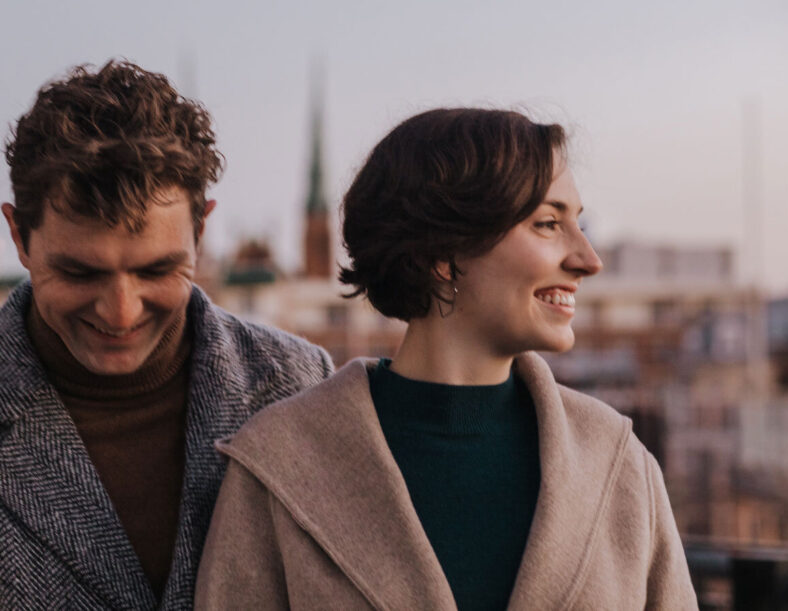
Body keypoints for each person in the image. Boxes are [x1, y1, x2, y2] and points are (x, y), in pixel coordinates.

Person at [0, 60, 334, 610]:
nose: (120, 312)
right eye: (80, 273)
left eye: (156, 271)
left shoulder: (301, 386)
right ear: (19, 235)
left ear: (201, 232)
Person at [195, 108, 697, 609]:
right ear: (440, 253)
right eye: (548, 223)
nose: (589, 259)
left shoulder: (620, 464)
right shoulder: (276, 469)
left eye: (578, 224)